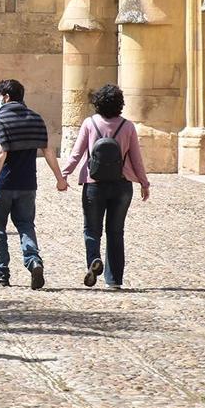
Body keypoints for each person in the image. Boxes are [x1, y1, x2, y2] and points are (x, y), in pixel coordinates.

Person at [61, 84, 150, 290]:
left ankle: (94, 259)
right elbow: (136, 158)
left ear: (97, 102)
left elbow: (77, 153)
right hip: (122, 185)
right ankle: (114, 280)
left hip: (94, 184)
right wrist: (144, 183)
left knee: (92, 229)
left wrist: (64, 175)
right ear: (120, 104)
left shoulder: (90, 123)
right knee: (116, 232)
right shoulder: (128, 127)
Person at [0, 79, 68, 289]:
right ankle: (33, 261)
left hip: (4, 184)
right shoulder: (36, 119)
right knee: (25, 225)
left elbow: (1, 152)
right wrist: (60, 179)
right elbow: (48, 151)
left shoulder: (0, 119)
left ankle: (0, 273)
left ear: (6, 97)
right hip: (28, 184)